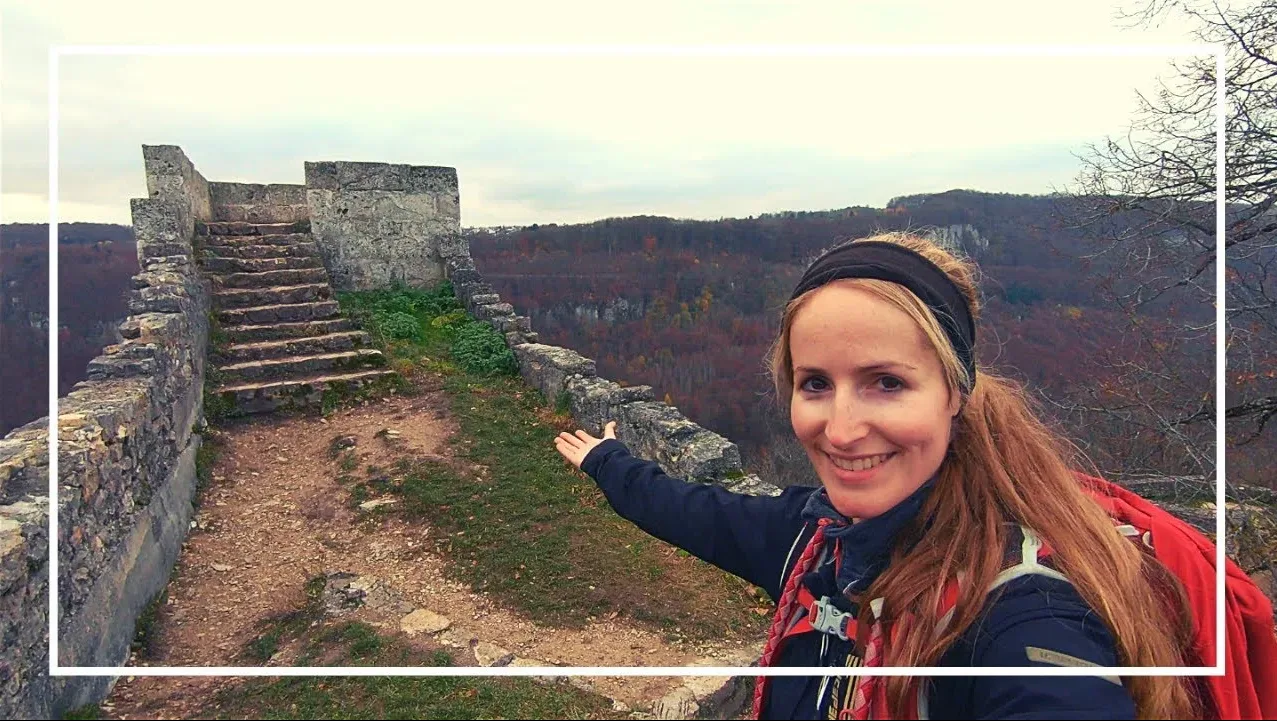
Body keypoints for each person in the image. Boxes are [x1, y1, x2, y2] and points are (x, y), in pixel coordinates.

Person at [553, 232, 1206, 720]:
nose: (840, 430)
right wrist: (607, 461)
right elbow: (691, 511)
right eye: (815, 383)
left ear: (954, 393)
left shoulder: (1020, 605)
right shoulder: (814, 540)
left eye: (886, 383)